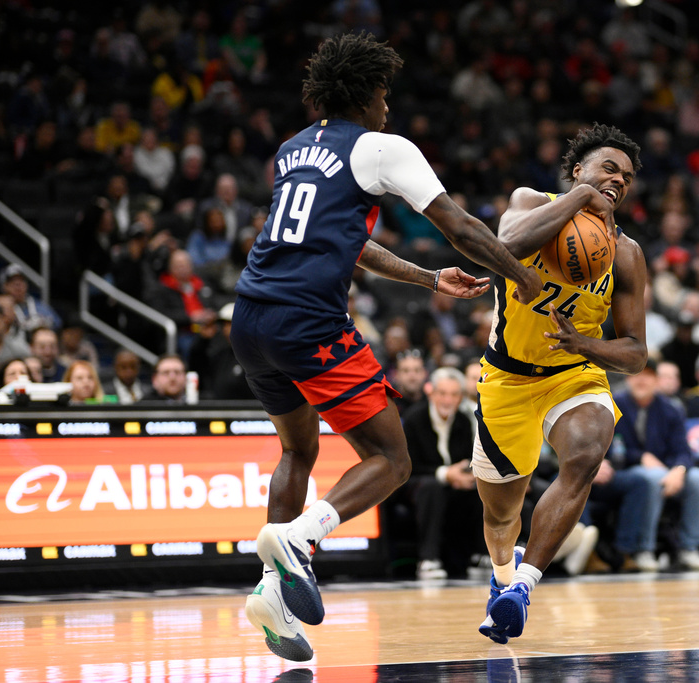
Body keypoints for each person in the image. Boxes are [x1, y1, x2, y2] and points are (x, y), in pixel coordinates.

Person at [228, 33, 540, 662]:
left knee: (297, 448)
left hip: (250, 316)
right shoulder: (382, 147)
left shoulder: (293, 149)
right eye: (385, 95)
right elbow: (460, 226)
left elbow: (352, 245)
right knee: (392, 459)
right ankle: (298, 539)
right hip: (307, 320)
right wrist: (523, 278)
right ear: (368, 93)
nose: (389, 107)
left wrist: (427, 279)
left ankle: (271, 590)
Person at [470, 122, 647, 644]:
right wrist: (580, 200)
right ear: (578, 170)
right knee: (501, 514)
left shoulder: (626, 253)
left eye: (626, 177)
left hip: (572, 375)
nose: (618, 180)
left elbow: (635, 353)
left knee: (587, 451)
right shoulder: (530, 201)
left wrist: (584, 345)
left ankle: (523, 586)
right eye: (608, 169)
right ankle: (502, 572)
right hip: (506, 377)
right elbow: (503, 245)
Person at [594, 360, 699, 572]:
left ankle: (690, 548)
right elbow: (608, 449)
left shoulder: (671, 409)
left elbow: (683, 450)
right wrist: (641, 457)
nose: (642, 380)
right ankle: (643, 549)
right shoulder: (612, 404)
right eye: (636, 374)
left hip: (665, 472)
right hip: (623, 472)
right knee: (650, 478)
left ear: (657, 381)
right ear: (628, 378)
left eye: (648, 375)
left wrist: (679, 470)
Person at [398, 367, 483, 579]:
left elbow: (467, 458)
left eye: (454, 395)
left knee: (482, 488)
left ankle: (481, 555)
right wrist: (446, 474)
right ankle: (428, 559)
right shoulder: (414, 418)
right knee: (432, 487)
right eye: (442, 394)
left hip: (453, 484)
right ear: (432, 394)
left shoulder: (463, 421)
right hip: (415, 482)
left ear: (460, 397)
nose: (448, 400)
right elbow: (409, 466)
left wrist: (465, 475)